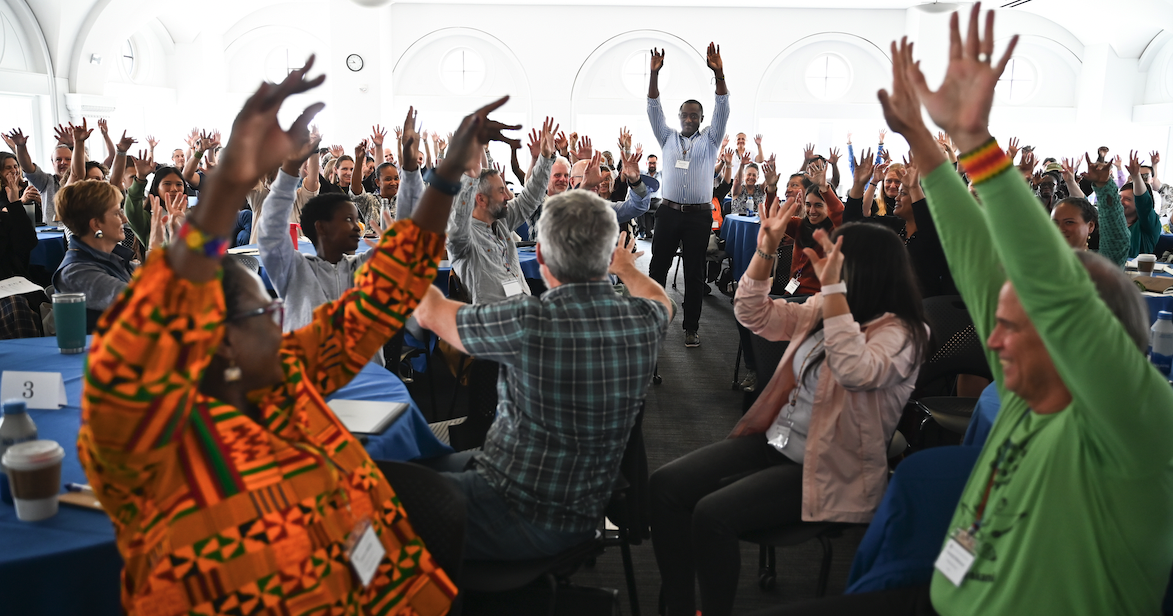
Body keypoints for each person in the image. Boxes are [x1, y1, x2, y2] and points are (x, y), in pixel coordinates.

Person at [762, 7, 1173, 614]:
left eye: (1016, 328)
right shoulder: (1024, 397)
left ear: (1080, 339)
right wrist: (926, 145)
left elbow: (1051, 290)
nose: (994, 340)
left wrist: (980, 145)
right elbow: (981, 262)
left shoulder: (1130, 432)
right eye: (998, 324)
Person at [76, 59, 486, 616]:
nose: (278, 319)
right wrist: (226, 186)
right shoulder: (152, 455)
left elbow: (385, 290)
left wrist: (443, 177)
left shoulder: (286, 378)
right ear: (218, 343)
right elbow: (132, 347)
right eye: (261, 314)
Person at [652, 193, 929, 616]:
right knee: (665, 486)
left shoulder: (903, 333)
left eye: (839, 260)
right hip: (778, 441)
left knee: (712, 516)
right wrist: (765, 248)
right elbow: (752, 314)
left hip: (830, 465)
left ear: (869, 272)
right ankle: (678, 607)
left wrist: (834, 292)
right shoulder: (829, 305)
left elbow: (854, 368)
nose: (828, 263)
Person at [414, 189, 672, 560]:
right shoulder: (645, 321)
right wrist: (627, 268)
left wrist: (404, 258)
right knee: (423, 462)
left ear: (539, 258)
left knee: (381, 498)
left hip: (511, 509)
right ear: (608, 254)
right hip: (586, 509)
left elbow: (428, 312)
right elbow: (662, 300)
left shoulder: (526, 321)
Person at [646, 43, 730, 348]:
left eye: (695, 115)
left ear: (701, 118)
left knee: (694, 274)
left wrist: (718, 72)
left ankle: (691, 326)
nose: (690, 119)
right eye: (685, 115)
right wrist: (654, 75)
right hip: (668, 212)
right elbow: (653, 107)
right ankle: (653, 320)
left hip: (698, 215)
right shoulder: (667, 137)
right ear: (680, 116)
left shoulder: (710, 139)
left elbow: (723, 107)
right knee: (658, 268)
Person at [447, 116, 555, 304]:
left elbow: (530, 198)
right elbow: (457, 219)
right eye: (501, 191)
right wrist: (469, 179)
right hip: (493, 322)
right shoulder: (463, 237)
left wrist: (545, 159)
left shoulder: (501, 221)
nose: (507, 196)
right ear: (480, 199)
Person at [844, 151, 956, 297]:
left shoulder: (936, 232)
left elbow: (926, 225)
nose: (896, 198)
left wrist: (914, 187)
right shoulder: (893, 226)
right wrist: (859, 185)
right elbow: (852, 224)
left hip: (922, 309)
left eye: (903, 193)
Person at [52, 179, 149, 331]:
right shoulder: (76, 273)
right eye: (117, 213)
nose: (124, 220)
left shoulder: (112, 257)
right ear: (96, 225)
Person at [1050, 155, 1129, 267]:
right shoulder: (1043, 261)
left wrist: (1104, 186)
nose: (1060, 229)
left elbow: (1117, 238)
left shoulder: (1102, 263)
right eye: (1055, 223)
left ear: (1090, 226)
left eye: (1069, 222)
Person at [7, 128, 70, 222]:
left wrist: (78, 143)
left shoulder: (82, 181)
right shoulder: (46, 181)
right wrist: (21, 146)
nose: (63, 162)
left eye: (68, 159)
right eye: (58, 159)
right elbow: (28, 167)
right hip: (52, 233)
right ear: (53, 163)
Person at [1119, 150, 1161, 257]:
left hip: (1138, 272)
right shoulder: (1111, 223)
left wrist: (1136, 176)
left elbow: (1144, 204)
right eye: (1119, 197)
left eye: (1127, 199)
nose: (1121, 202)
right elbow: (1086, 209)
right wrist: (1070, 182)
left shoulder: (1150, 225)